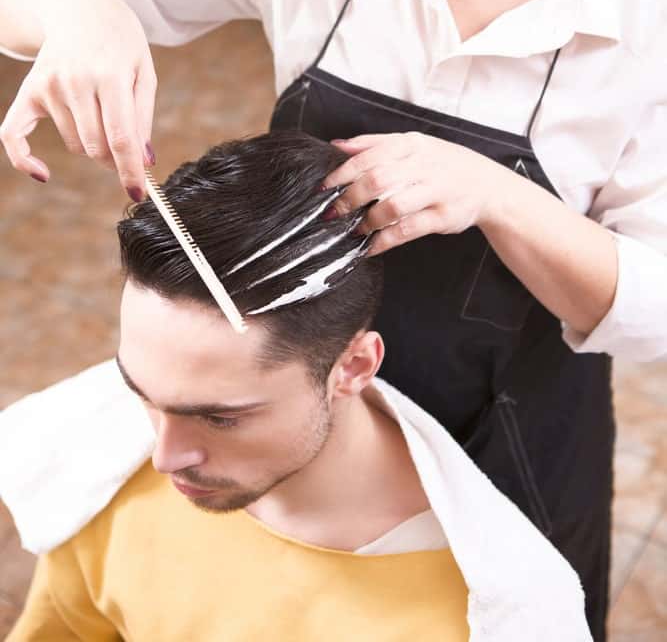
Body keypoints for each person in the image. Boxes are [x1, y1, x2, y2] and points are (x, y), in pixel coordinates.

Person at [0, 0, 666, 637]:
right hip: (285, 405)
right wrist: (81, 10)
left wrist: (495, 193)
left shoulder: (649, 8)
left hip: (511, 427)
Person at [2, 133, 591, 641]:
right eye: (142, 394)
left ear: (354, 367)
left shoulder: (470, 615)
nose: (163, 456)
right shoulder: (96, 480)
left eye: (220, 417)